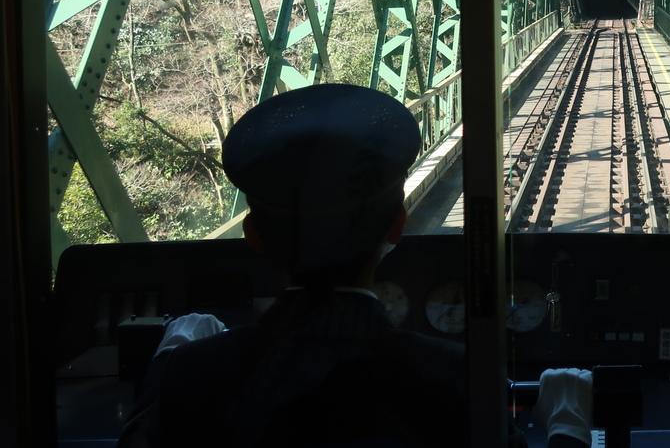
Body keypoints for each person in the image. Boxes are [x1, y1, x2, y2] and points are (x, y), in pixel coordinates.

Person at [119, 83, 591, 447]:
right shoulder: (456, 379)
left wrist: (169, 359)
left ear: (254, 237)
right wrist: (567, 426)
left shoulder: (194, 376)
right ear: (397, 225)